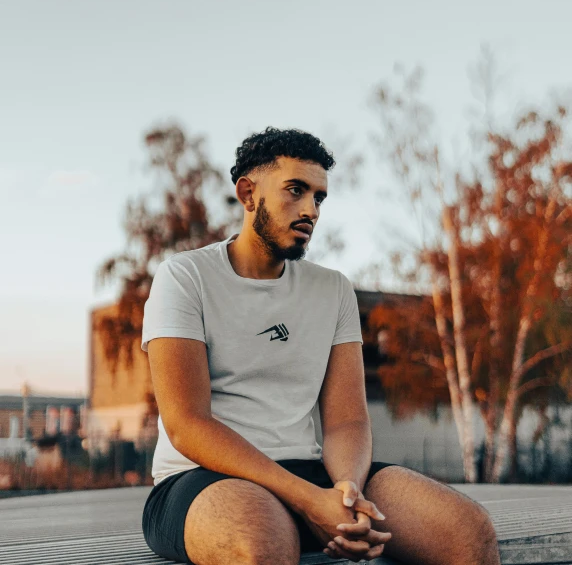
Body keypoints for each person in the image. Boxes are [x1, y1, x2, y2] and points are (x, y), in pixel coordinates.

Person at [141, 127, 501, 564]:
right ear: (248, 193)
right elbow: (186, 425)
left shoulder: (333, 289)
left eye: (319, 197)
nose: (310, 209)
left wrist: (346, 490)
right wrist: (309, 500)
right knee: (261, 545)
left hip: (313, 474)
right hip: (201, 480)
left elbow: (347, 420)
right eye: (296, 190)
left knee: (468, 532)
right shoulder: (185, 278)